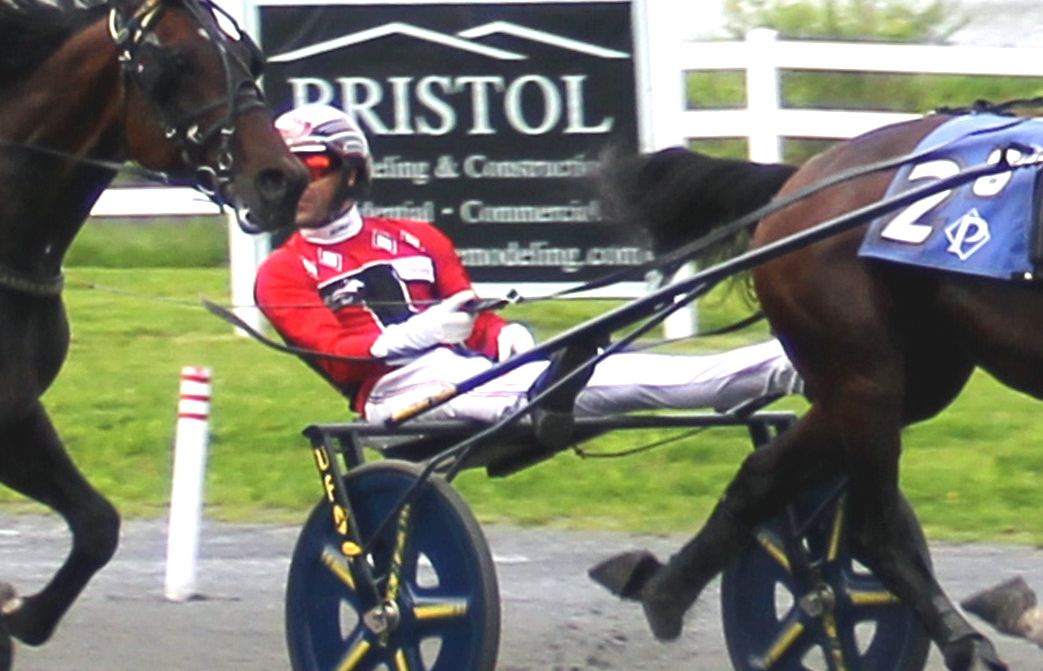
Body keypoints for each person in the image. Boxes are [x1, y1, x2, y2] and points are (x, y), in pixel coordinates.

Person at [254, 103, 800, 431]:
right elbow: (336, 359)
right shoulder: (282, 272)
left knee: (613, 365)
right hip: (398, 394)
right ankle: (786, 366)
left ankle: (793, 362)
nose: (301, 181)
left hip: (474, 372)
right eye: (290, 169)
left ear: (351, 173)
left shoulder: (418, 238)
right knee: (579, 387)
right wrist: (412, 336)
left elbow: (475, 320)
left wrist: (505, 333)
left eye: (316, 166)